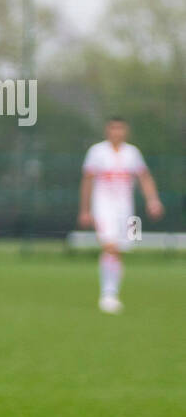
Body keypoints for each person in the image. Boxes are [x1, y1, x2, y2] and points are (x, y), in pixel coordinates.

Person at [78, 116, 163, 313]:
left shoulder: (132, 153)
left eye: (121, 129)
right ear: (107, 131)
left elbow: (144, 177)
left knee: (120, 250)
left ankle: (112, 292)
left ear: (126, 131)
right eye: (113, 128)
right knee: (110, 246)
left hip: (125, 209)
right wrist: (85, 210)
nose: (117, 132)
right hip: (102, 206)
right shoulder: (97, 152)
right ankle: (108, 295)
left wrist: (153, 201)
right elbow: (87, 181)